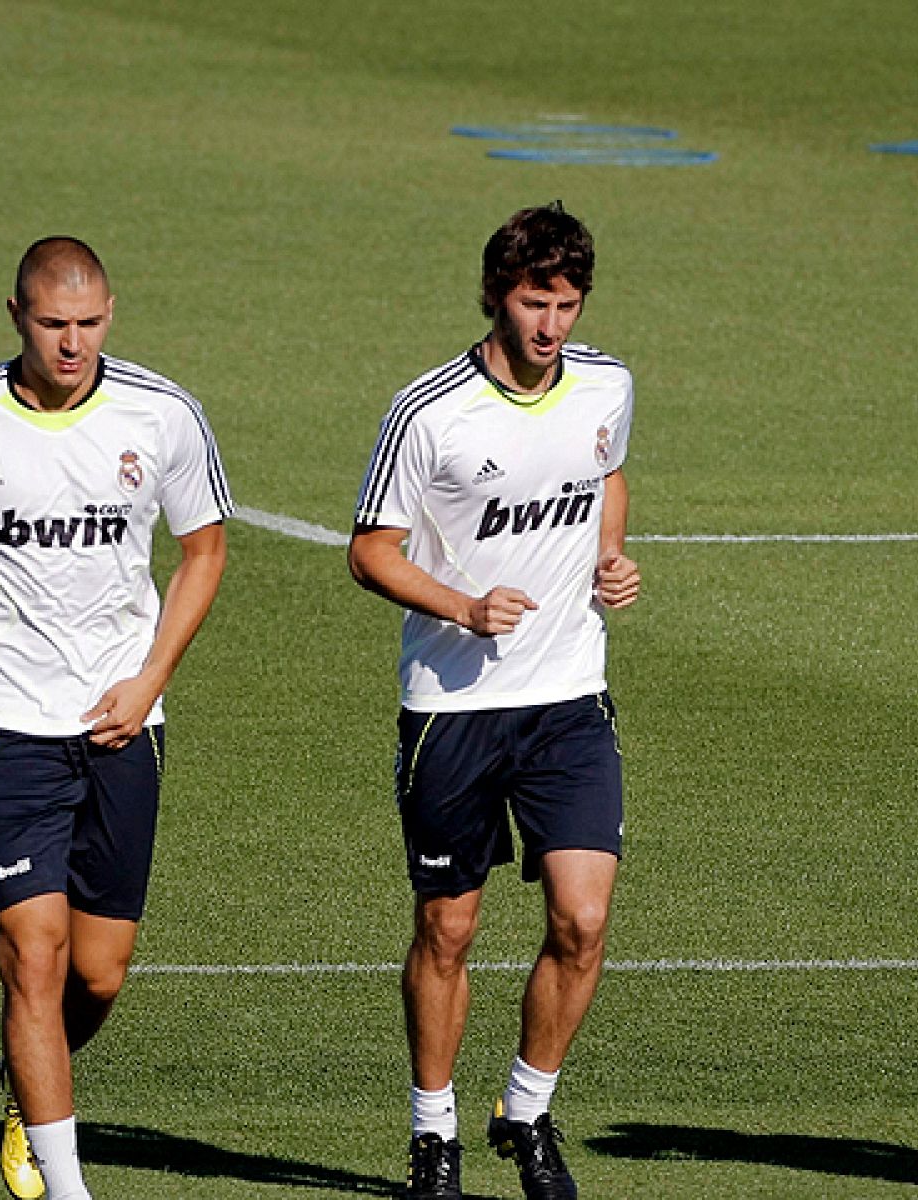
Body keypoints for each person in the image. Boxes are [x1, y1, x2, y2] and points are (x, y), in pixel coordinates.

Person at [0, 237, 231, 1200]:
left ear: (112, 313)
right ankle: (68, 1188)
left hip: (121, 721)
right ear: (16, 315)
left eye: (91, 324)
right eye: (54, 325)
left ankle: (31, 1090)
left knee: (98, 975)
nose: (73, 344)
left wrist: (150, 678)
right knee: (34, 953)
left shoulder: (163, 414)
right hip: (1, 721)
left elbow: (204, 549)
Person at [348, 203, 641, 1200]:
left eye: (565, 303)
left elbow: (606, 474)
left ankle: (528, 1110)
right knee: (448, 928)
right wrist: (463, 606)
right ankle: (433, 1137)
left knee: (583, 917)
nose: (550, 325)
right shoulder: (428, 413)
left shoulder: (606, 383)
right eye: (532, 302)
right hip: (452, 707)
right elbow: (369, 550)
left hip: (567, 697)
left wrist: (607, 557)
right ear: (492, 296)